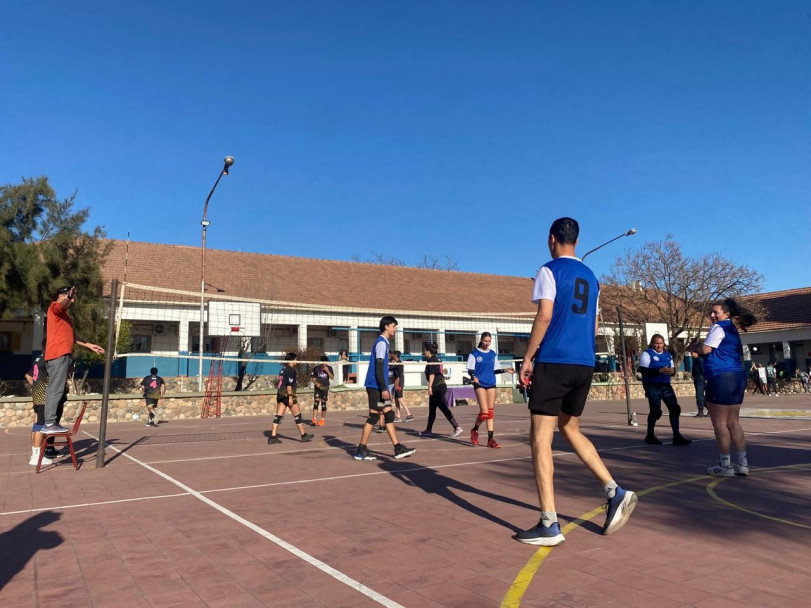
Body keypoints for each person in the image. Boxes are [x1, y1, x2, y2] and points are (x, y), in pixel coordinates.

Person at [516, 217, 637, 546]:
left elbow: (544, 315)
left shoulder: (549, 270)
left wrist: (528, 358)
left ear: (551, 238)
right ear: (578, 241)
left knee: (541, 439)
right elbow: (595, 326)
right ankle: (614, 491)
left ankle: (549, 523)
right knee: (569, 428)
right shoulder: (592, 277)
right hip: (584, 362)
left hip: (554, 361)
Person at [691, 298, 758, 476]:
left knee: (720, 424)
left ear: (726, 314)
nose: (712, 315)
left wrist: (696, 346)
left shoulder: (718, 327)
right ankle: (743, 464)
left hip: (721, 376)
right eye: (711, 312)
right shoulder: (732, 328)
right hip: (737, 376)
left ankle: (725, 465)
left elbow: (706, 350)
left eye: (716, 312)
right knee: (733, 422)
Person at [42, 286, 105, 434]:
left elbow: (72, 336)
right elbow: (60, 305)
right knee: (55, 389)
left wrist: (89, 345)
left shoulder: (64, 316)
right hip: (58, 354)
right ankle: (50, 423)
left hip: (62, 354)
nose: (73, 301)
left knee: (58, 389)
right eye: (71, 298)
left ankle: (51, 423)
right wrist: (68, 298)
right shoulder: (54, 307)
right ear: (62, 296)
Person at [354, 316, 415, 460]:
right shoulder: (381, 343)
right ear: (386, 326)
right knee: (374, 416)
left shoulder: (384, 343)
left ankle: (397, 448)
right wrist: (384, 388)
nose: (395, 329)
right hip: (375, 386)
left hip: (379, 385)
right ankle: (361, 449)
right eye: (394, 326)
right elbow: (379, 367)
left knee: (388, 415)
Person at [638, 335, 691, 446]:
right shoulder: (647, 354)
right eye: (656, 343)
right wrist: (659, 370)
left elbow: (673, 370)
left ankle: (677, 436)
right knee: (655, 411)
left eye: (661, 343)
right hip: (652, 385)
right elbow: (643, 370)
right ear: (652, 343)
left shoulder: (667, 355)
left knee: (675, 409)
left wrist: (672, 371)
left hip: (665, 385)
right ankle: (650, 436)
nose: (659, 345)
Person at [467, 331, 514, 448]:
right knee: (484, 412)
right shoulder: (474, 353)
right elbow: (470, 370)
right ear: (481, 340)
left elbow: (495, 370)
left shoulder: (492, 354)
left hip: (491, 383)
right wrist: (473, 376)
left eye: (489, 341)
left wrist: (505, 370)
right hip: (480, 384)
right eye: (485, 341)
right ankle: (475, 429)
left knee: (490, 412)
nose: (487, 343)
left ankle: (490, 439)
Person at [25, 349, 66, 465]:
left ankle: (36, 454)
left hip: (38, 397)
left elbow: (28, 375)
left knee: (37, 425)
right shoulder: (48, 360)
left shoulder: (38, 359)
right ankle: (37, 457)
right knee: (41, 425)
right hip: (45, 399)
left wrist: (36, 387)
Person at [419, 342, 463, 439]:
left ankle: (457, 427)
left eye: (425, 350)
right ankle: (428, 430)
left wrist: (429, 387)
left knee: (442, 408)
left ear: (428, 351)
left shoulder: (432, 360)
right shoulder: (435, 359)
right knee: (432, 409)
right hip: (439, 386)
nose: (424, 352)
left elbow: (432, 374)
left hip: (437, 387)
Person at [268, 353, 314, 444]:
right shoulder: (291, 370)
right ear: (292, 360)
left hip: (280, 394)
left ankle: (273, 437)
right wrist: (290, 397)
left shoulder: (283, 369)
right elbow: (289, 385)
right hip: (287, 395)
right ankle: (303, 435)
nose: (297, 361)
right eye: (296, 359)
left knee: (278, 416)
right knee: (298, 415)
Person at [391, 350, 413, 422]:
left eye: (393, 355)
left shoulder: (399, 364)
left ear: (395, 356)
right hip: (397, 383)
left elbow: (399, 375)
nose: (392, 356)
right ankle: (398, 416)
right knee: (397, 400)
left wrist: (397, 384)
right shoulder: (396, 363)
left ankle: (409, 415)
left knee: (400, 399)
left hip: (399, 384)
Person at [311, 355, 334, 426]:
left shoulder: (329, 368)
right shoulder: (316, 368)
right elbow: (313, 378)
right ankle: (314, 419)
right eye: (323, 362)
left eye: (326, 362)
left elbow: (332, 377)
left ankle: (322, 420)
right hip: (318, 388)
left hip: (325, 387)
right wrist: (316, 383)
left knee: (323, 403)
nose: (325, 364)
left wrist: (327, 370)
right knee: (316, 403)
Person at [690, 351, 708, 417]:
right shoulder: (694, 360)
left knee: (699, 395)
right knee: (700, 396)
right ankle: (709, 408)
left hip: (700, 379)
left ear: (696, 353)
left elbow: (703, 370)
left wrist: (703, 377)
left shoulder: (699, 360)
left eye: (692, 352)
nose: (691, 353)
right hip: (697, 378)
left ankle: (701, 411)